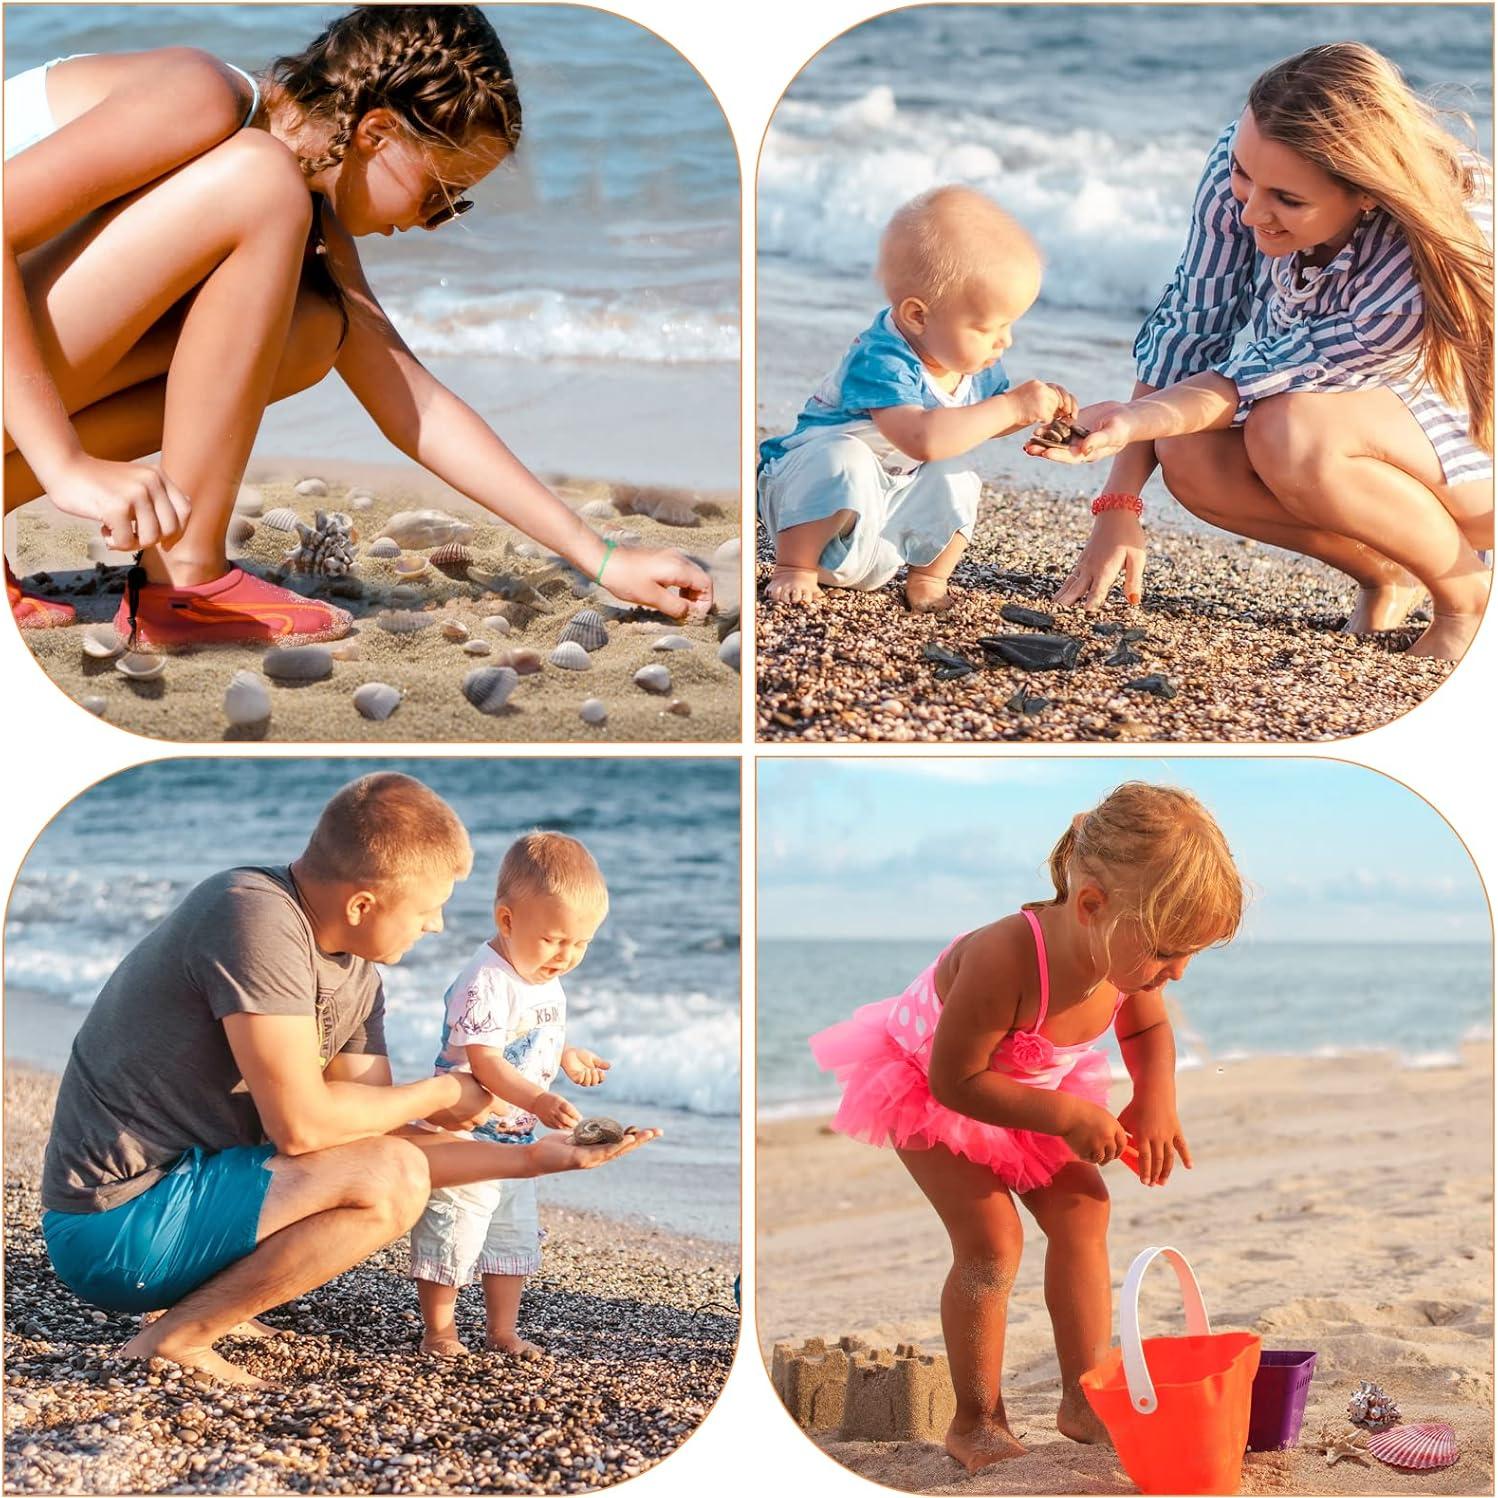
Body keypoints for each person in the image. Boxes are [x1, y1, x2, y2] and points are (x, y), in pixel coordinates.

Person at [3, 6, 709, 643]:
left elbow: (414, 403)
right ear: (375, 131)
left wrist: (602, 557)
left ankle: (178, 585)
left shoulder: (295, 204)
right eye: (443, 196)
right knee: (260, 178)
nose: (429, 224)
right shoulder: (203, 98)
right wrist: (64, 465)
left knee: (314, 331)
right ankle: (186, 581)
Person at [38, 772, 655, 1388]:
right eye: (427, 908)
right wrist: (442, 1092)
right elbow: (304, 1128)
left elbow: (377, 1138)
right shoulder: (251, 914)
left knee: (388, 1164)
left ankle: (206, 1308)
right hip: (114, 1224)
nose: (438, 925)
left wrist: (538, 1160)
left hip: (195, 1207)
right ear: (363, 904)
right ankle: (180, 1335)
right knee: (392, 1179)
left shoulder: (360, 979)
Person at [809, 783, 1245, 1473]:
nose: (1178, 972)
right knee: (993, 1241)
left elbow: (1150, 1028)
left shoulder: (1127, 967)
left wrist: (1155, 1099)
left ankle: (1083, 1398)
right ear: (1094, 906)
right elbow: (958, 1081)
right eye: (1168, 951)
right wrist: (1069, 1116)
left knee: (1083, 1210)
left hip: (1027, 1092)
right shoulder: (1005, 958)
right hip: (931, 1091)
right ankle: (976, 1421)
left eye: (1190, 955)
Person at [1038, 43, 1493, 662]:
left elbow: (1252, 382)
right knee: (1188, 452)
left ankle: (1466, 596)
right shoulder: (1254, 157)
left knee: (1290, 429)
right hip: (1348, 416)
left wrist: (1133, 416)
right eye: (1242, 174)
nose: (1250, 209)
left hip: (1470, 453)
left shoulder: (1416, 259)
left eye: (1288, 200)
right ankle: (1389, 573)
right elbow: (1191, 326)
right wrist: (1119, 504)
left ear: (1366, 193)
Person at [758, 185, 1076, 613]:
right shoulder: (879, 359)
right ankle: (792, 568)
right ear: (917, 316)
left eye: (1009, 325)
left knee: (956, 473)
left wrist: (1036, 416)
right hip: (808, 511)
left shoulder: (970, 362)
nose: (1005, 341)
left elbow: (981, 422)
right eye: (987, 328)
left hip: (883, 523)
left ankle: (928, 575)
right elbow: (921, 439)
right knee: (844, 459)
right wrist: (1011, 405)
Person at [410, 831, 613, 1359]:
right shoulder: (484, 980)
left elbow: (529, 1029)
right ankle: (439, 1331)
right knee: (455, 1230)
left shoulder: (541, 972)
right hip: (465, 1134)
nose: (566, 956)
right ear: (506, 920)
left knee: (509, 1238)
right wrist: (542, 1102)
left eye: (581, 943)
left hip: (515, 1139)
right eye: (555, 940)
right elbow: (487, 1060)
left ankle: (501, 1330)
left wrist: (566, 1053)